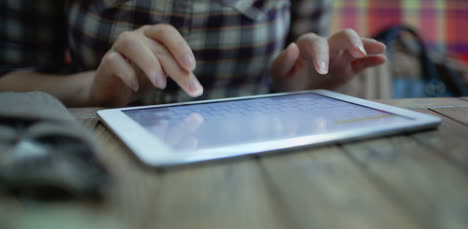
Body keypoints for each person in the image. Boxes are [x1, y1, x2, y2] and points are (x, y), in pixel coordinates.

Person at [0, 0, 386, 107]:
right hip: (94, 158)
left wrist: (301, 87)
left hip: (261, 169)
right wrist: (91, 91)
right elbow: (9, 83)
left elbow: (301, 66)